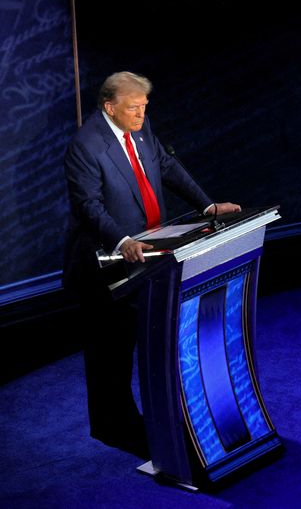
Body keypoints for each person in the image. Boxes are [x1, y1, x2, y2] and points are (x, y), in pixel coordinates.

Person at [63, 71, 241, 458]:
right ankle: (113, 426)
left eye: (145, 107)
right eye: (133, 108)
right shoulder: (86, 146)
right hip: (105, 263)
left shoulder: (140, 127)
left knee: (141, 336)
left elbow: (167, 166)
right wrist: (123, 240)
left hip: (149, 257)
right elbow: (88, 206)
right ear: (110, 108)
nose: (141, 115)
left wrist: (207, 205)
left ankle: (145, 421)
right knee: (111, 348)